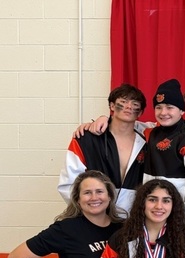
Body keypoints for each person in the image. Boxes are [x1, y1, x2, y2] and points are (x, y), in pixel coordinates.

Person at [59, 84, 147, 215]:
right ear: (112, 106)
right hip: (92, 218)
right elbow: (68, 183)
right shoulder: (85, 139)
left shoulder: (148, 140)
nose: (128, 107)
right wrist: (90, 212)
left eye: (134, 104)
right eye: (123, 102)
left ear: (140, 112)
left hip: (132, 220)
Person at [140, 79, 185, 227]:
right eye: (158, 107)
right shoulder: (151, 132)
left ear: (182, 111)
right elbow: (126, 124)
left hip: (178, 217)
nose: (163, 112)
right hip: (153, 212)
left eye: (169, 107)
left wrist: (184, 217)